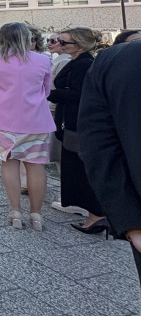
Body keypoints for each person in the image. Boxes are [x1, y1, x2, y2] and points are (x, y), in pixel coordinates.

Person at [0, 23, 55, 230]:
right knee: (36, 166)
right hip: (36, 120)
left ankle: (15, 210)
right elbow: (46, 91)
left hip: (2, 119)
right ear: (27, 37)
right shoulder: (43, 60)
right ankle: (36, 214)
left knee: (8, 163)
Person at [79, 41, 141, 287]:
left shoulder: (115, 59)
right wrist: (131, 222)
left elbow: (99, 145)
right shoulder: (118, 60)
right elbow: (100, 144)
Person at [49, 27, 108, 234]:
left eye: (64, 42)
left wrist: (52, 94)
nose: (59, 45)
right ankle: (93, 213)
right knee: (75, 167)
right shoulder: (79, 62)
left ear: (80, 45)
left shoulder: (83, 64)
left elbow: (78, 93)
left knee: (80, 169)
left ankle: (96, 214)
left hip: (76, 122)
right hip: (72, 120)